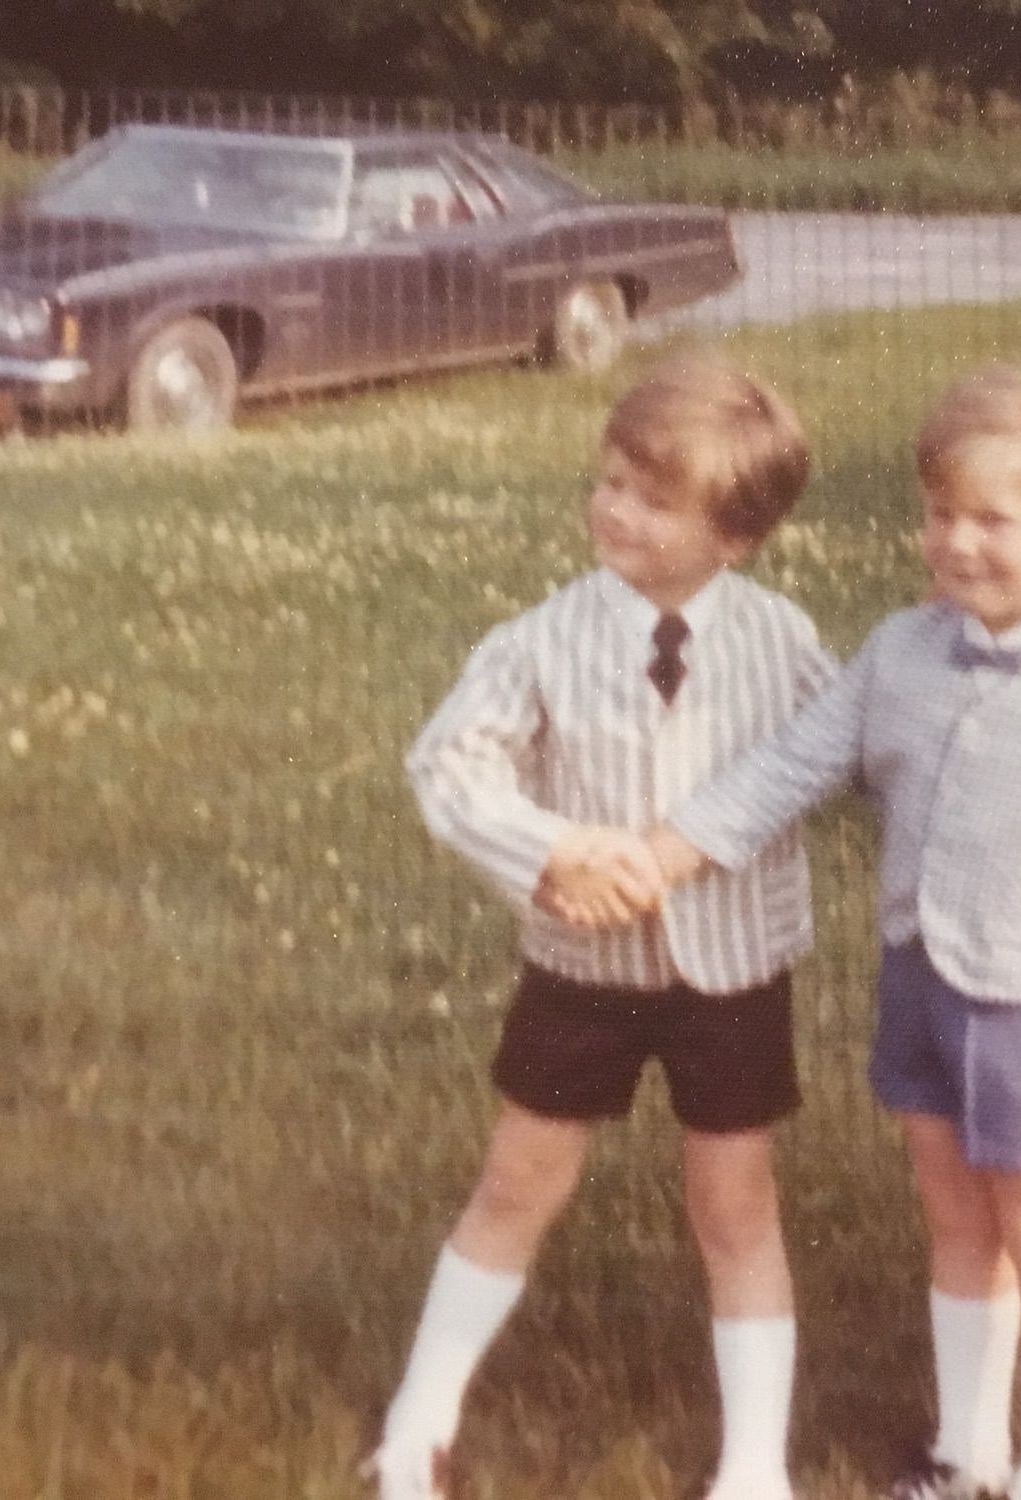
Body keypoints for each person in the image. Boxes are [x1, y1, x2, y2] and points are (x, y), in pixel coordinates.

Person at [642, 366, 1021, 1500]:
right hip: (918, 983)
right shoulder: (899, 650)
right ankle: (968, 1454)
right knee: (955, 1217)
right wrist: (663, 854)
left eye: (991, 521)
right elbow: (791, 767)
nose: (955, 543)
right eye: (940, 514)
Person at [373, 351, 834, 1500]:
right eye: (609, 481)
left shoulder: (781, 642)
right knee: (518, 1181)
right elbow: (448, 766)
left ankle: (754, 1466)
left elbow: (838, 755)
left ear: (733, 536)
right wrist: (551, 853)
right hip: (584, 968)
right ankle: (416, 1426)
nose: (613, 509)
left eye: (650, 497)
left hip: (731, 970)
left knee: (735, 1203)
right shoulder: (541, 638)